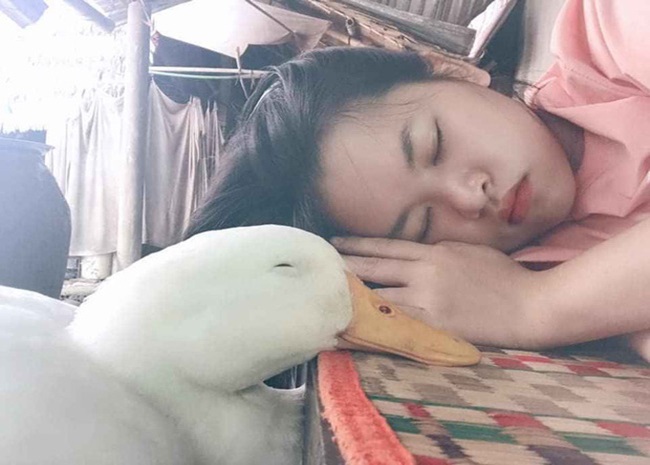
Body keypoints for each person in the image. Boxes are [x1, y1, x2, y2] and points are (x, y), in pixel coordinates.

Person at [186, 0, 650, 362]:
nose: (469, 199)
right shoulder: (537, 269)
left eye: (435, 145)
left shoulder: (607, 31)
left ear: (452, 70)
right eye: (423, 225)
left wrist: (538, 307)